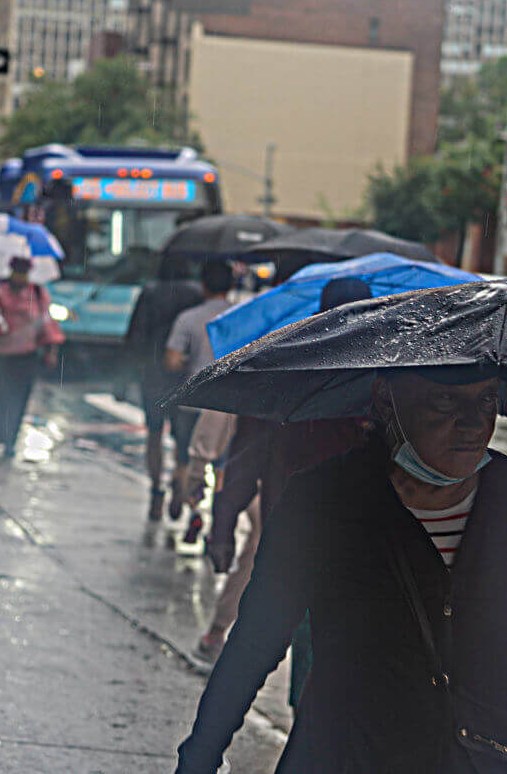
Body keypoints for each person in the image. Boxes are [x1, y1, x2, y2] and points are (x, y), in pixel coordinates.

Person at [176, 365, 507, 773]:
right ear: (385, 398)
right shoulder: (322, 499)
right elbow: (255, 643)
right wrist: (199, 758)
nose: (473, 423)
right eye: (445, 401)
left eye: (487, 400)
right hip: (349, 756)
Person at [189, 277, 372, 667]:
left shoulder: (298, 372)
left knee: (307, 648)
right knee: (304, 647)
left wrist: (223, 521)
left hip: (311, 537)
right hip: (320, 538)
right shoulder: (363, 376)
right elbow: (250, 454)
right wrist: (222, 523)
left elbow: (247, 457)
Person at [126, 255, 204, 520]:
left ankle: (156, 488)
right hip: (184, 374)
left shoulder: (150, 293)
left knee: (154, 433)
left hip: (153, 374)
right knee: (184, 438)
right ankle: (179, 484)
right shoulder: (196, 294)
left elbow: (135, 336)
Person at [164, 259, 234, 528]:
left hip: (192, 401)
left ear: (203, 286)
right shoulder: (241, 317)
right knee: (220, 464)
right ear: (231, 286)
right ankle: (216, 523)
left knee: (185, 457)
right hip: (226, 405)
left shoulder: (188, 318)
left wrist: (190, 361)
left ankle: (190, 505)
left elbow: (171, 360)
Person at [0, 256, 64, 459]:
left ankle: (11, 439)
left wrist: (51, 351)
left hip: (25, 356)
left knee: (18, 400)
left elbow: (47, 323)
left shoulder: (37, 294)